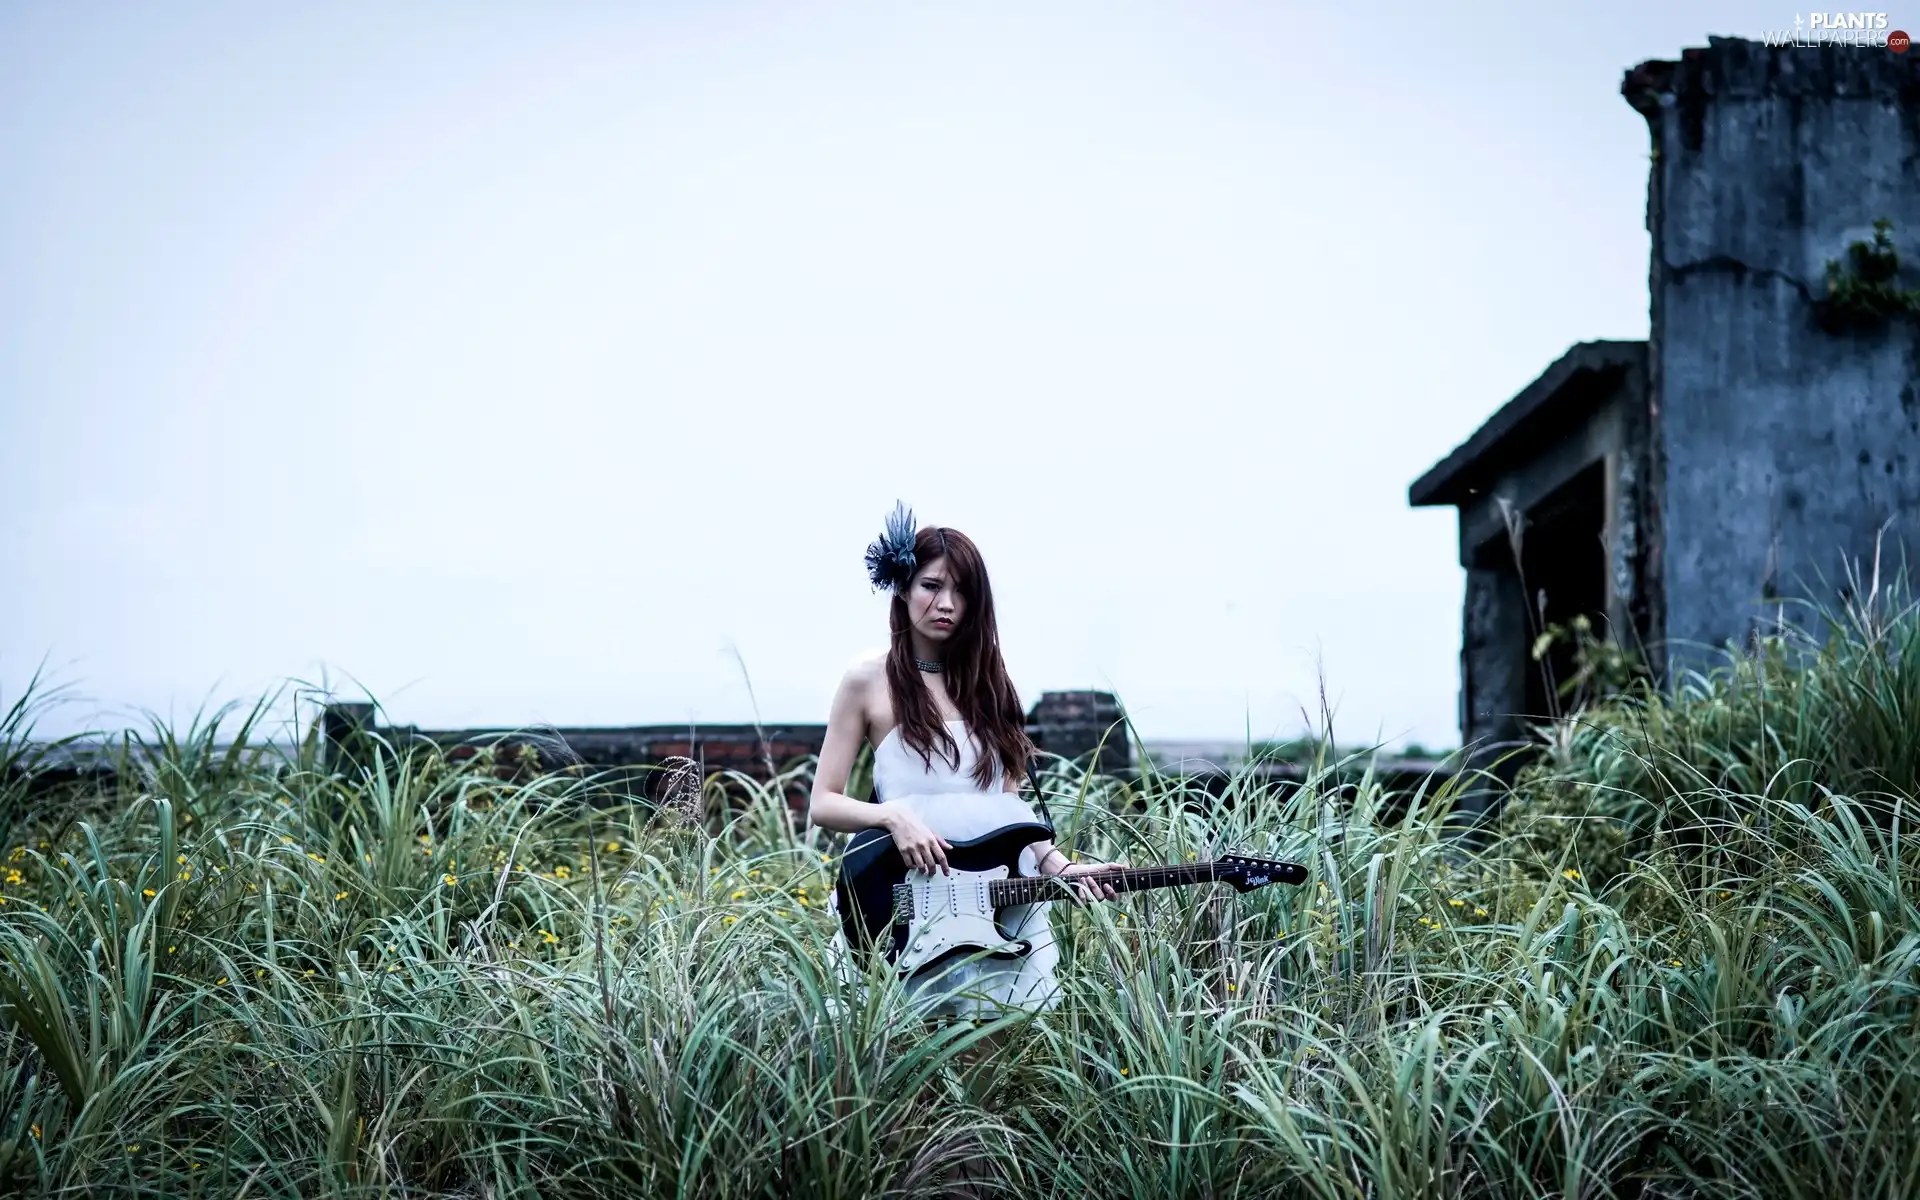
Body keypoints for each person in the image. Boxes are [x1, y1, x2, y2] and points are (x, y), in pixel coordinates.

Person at [808, 502, 1123, 1017]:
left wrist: (1064, 868)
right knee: (906, 1054)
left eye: (962, 591)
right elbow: (823, 802)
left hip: (998, 904)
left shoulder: (991, 684)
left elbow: (1010, 811)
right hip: (907, 897)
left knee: (996, 1056)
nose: (946, 603)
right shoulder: (868, 679)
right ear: (904, 588)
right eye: (932, 585)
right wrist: (891, 817)